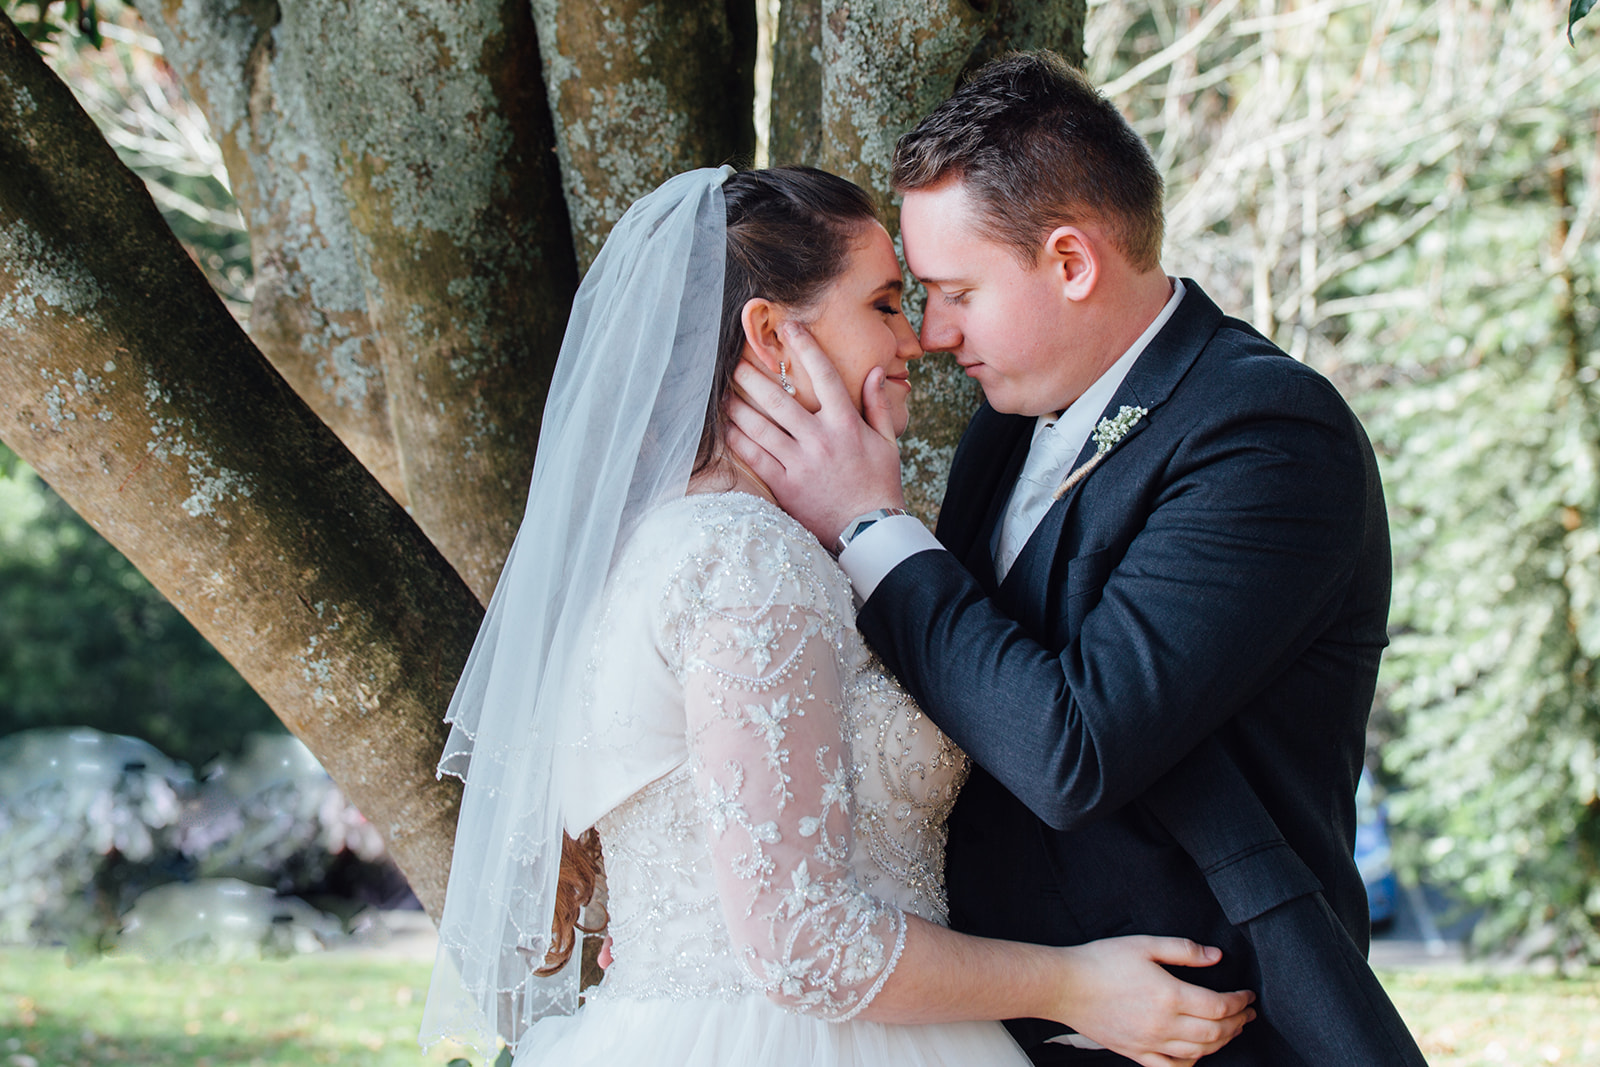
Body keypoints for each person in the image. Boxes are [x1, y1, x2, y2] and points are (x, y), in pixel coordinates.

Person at [419, 165, 1257, 1067]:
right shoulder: (749, 557)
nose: (917, 339)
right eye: (885, 304)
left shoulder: (665, 543)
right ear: (771, 335)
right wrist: (1073, 984)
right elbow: (802, 942)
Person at [728, 54, 1430, 1066]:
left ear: (1070, 261)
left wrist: (870, 525)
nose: (933, 334)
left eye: (956, 291)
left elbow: (1073, 751)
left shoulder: (1269, 435)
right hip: (981, 1023)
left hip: (1199, 1029)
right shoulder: (1004, 428)